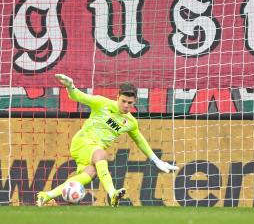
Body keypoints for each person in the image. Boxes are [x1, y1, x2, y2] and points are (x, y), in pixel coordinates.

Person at [37, 75, 178, 207]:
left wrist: (156, 160)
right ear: (117, 98)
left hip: (92, 150)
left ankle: (46, 195)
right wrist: (70, 87)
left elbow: (140, 141)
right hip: (82, 141)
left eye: (130, 103)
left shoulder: (130, 122)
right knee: (102, 155)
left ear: (134, 102)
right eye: (123, 101)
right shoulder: (101, 103)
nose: (126, 105)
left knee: (90, 173)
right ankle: (112, 193)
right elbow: (79, 96)